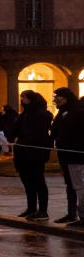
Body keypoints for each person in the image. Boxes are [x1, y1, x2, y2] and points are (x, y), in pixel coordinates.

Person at [10, 90, 52, 221]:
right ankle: (31, 208)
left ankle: (43, 210)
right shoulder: (25, 113)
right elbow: (16, 129)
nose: (21, 100)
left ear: (30, 99)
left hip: (35, 152)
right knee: (27, 181)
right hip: (22, 151)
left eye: (23, 98)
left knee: (38, 181)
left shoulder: (41, 114)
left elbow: (40, 133)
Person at [52, 88, 84, 226]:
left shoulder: (77, 112)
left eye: (57, 97)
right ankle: (72, 213)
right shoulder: (63, 112)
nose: (54, 100)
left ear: (65, 98)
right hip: (65, 155)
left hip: (75, 155)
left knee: (79, 186)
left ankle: (82, 215)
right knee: (70, 185)